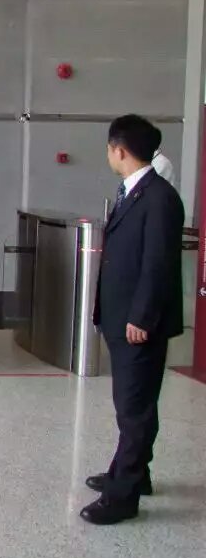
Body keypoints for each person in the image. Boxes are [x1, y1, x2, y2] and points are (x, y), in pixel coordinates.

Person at [82, 114, 184, 525]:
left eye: (110, 148)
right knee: (134, 403)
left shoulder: (159, 198)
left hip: (138, 323)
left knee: (134, 409)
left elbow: (158, 264)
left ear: (119, 150)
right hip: (121, 316)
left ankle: (122, 496)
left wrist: (141, 317)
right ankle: (134, 474)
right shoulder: (134, 191)